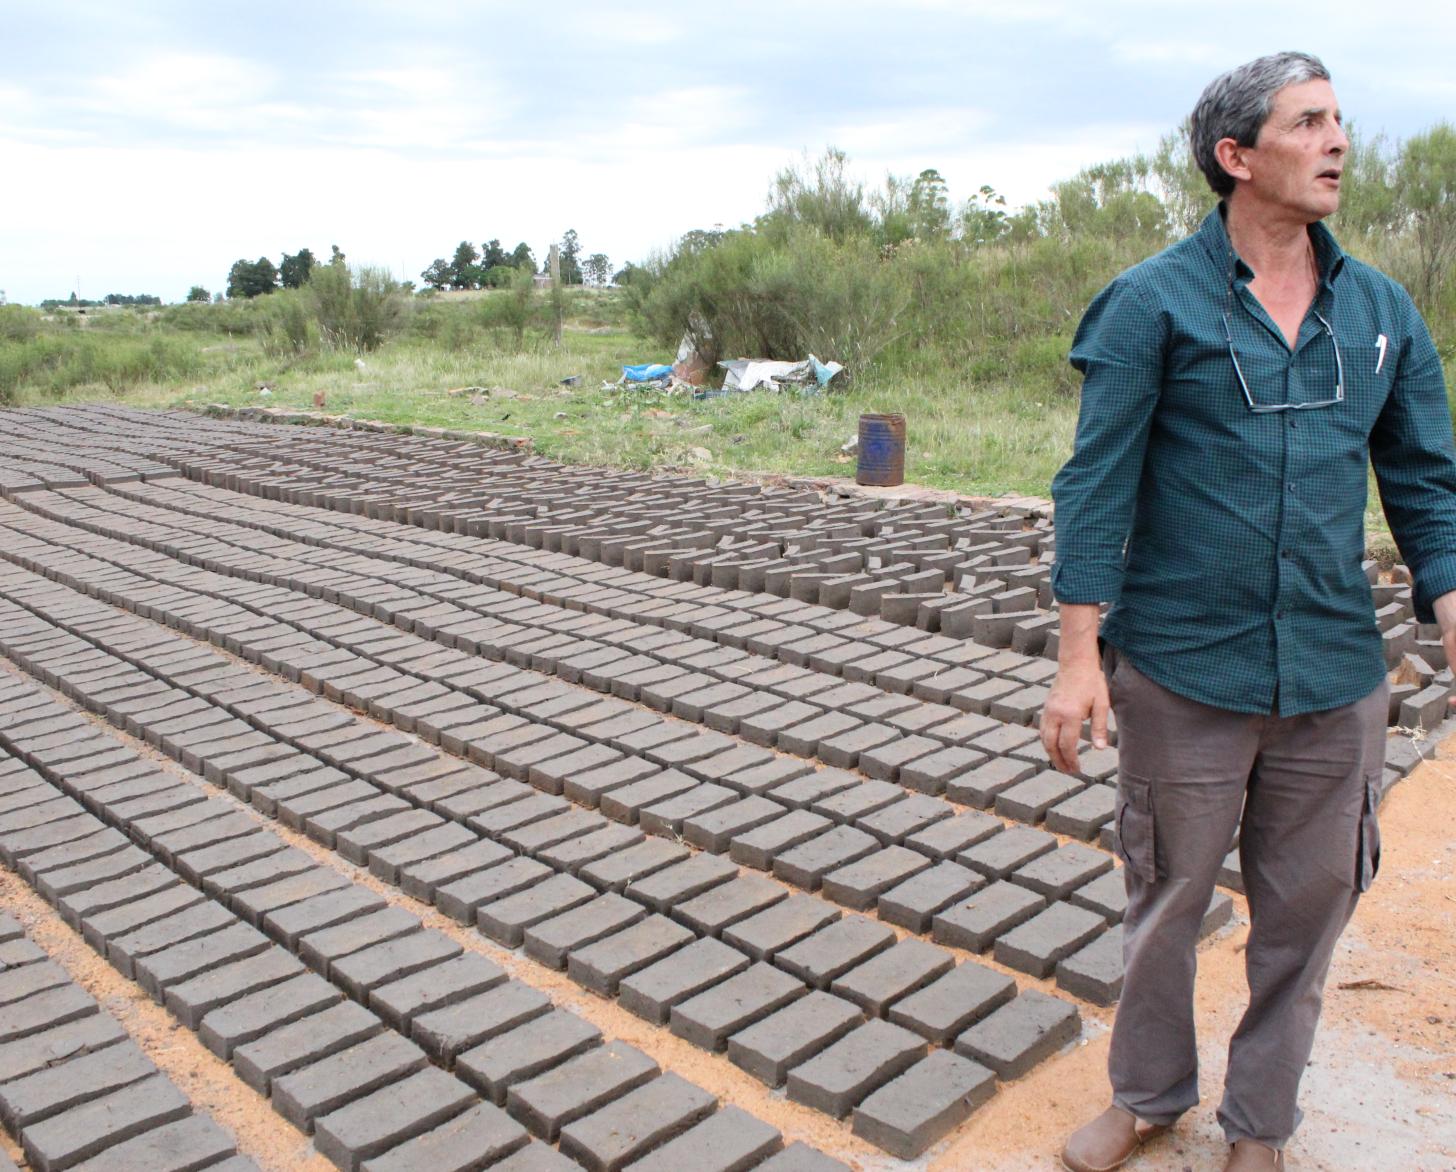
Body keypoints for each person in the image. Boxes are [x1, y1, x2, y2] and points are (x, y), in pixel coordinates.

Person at [1043, 51, 1456, 1172]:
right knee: (1168, 900)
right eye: (1308, 122)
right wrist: (1078, 655)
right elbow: (1094, 484)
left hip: (1333, 676)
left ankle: (1259, 1126)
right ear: (1236, 156)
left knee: (1305, 918)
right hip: (1183, 670)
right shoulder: (1151, 303)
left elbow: (1422, 474)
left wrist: (1448, 590)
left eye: (1339, 120)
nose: (1336, 141)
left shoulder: (1376, 311)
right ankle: (1146, 1093)